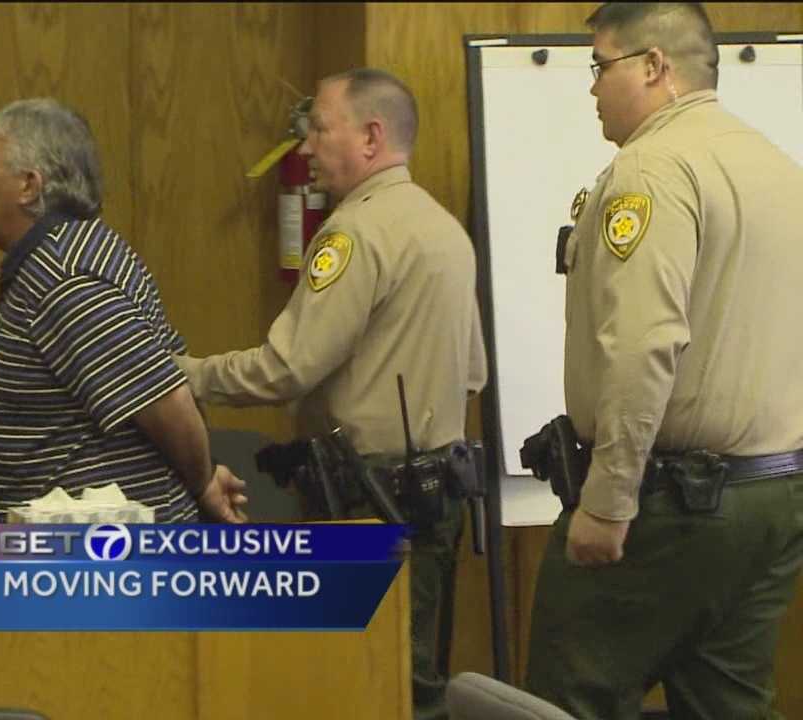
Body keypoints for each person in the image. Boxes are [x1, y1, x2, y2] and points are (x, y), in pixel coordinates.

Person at [174, 69, 487, 720]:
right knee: (413, 683)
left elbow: (284, 369)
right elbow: (472, 374)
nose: (306, 147)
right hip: (435, 495)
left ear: (371, 137)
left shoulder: (355, 234)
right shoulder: (443, 229)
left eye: (319, 128)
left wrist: (182, 375)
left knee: (356, 688)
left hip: (366, 500)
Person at [524, 4, 803, 718]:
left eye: (600, 65)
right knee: (728, 704)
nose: (592, 86)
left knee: (570, 697)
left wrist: (608, 499)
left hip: (668, 505)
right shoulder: (776, 166)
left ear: (654, 66)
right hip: (771, 498)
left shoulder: (651, 167)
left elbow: (644, 343)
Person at [0, 97, 246, 525]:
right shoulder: (75, 249)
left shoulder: (63, 275)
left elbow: (168, 401)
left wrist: (203, 480)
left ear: (28, 185)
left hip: (107, 552)